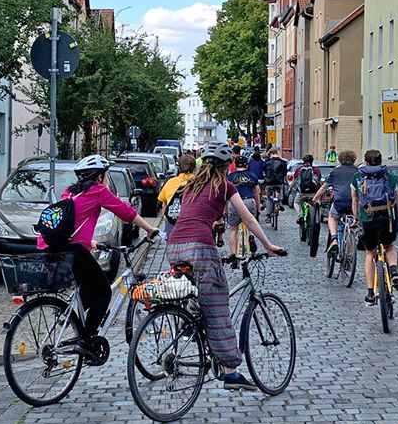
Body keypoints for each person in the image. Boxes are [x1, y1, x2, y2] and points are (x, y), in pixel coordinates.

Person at [167, 142, 285, 391]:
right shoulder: (225, 186)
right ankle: (231, 372)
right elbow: (248, 217)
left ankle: (188, 322)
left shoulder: (190, 186)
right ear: (225, 166)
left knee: (196, 294)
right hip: (199, 247)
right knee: (218, 305)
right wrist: (268, 244)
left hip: (174, 245)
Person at [54, 155, 160, 360]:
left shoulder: (69, 193)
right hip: (74, 250)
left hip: (58, 247)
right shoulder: (98, 190)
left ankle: (73, 321)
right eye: (107, 175)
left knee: (89, 285)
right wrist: (150, 229)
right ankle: (85, 340)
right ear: (101, 176)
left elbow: (72, 223)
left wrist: (90, 242)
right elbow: (125, 211)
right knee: (103, 292)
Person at [351, 149, 398, 305]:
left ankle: (370, 293)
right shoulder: (389, 176)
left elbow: (354, 200)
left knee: (370, 253)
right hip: (387, 219)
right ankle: (394, 271)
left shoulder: (358, 176)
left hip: (368, 220)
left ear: (366, 161)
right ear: (381, 161)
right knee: (389, 246)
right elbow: (397, 198)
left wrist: (356, 218)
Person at [312, 151, 358, 256]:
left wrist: (314, 199)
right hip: (354, 203)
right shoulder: (358, 171)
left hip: (340, 202)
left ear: (340, 160)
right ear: (354, 160)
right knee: (350, 228)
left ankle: (334, 238)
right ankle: (349, 254)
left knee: (332, 217)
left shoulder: (335, 171)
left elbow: (323, 188)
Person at [226, 156, 261, 258]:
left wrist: (225, 210)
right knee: (252, 224)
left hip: (234, 203)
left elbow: (226, 195)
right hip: (248, 201)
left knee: (233, 229)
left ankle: (233, 254)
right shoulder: (252, 176)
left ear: (235, 165)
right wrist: (258, 208)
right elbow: (257, 193)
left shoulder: (230, 177)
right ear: (246, 165)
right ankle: (251, 236)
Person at [157, 153, 196, 235]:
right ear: (194, 168)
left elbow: (163, 203)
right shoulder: (199, 183)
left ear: (179, 167)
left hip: (172, 223)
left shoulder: (171, 182)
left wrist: (166, 218)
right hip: (192, 225)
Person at [292, 154, 322, 224]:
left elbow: (295, 181)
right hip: (314, 193)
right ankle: (317, 219)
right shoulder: (316, 170)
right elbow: (319, 181)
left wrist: (291, 188)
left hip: (302, 193)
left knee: (296, 203)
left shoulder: (299, 170)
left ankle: (300, 215)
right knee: (319, 203)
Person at [263, 148, 288, 223]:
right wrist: (285, 181)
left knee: (268, 198)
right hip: (279, 182)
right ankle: (279, 203)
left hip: (269, 183)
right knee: (279, 194)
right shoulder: (283, 162)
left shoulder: (267, 162)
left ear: (270, 153)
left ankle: (268, 215)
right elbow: (285, 174)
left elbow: (264, 172)